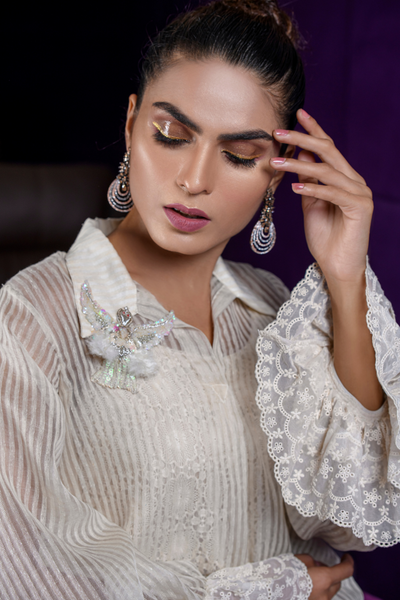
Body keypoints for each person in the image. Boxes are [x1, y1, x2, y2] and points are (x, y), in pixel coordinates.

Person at [0, 0, 399, 598]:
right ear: (131, 124)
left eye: (240, 156)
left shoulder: (274, 312)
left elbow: (353, 520)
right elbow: (27, 565)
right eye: (170, 135)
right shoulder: (31, 319)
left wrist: (344, 281)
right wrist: (268, 591)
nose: (194, 179)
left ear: (275, 174)